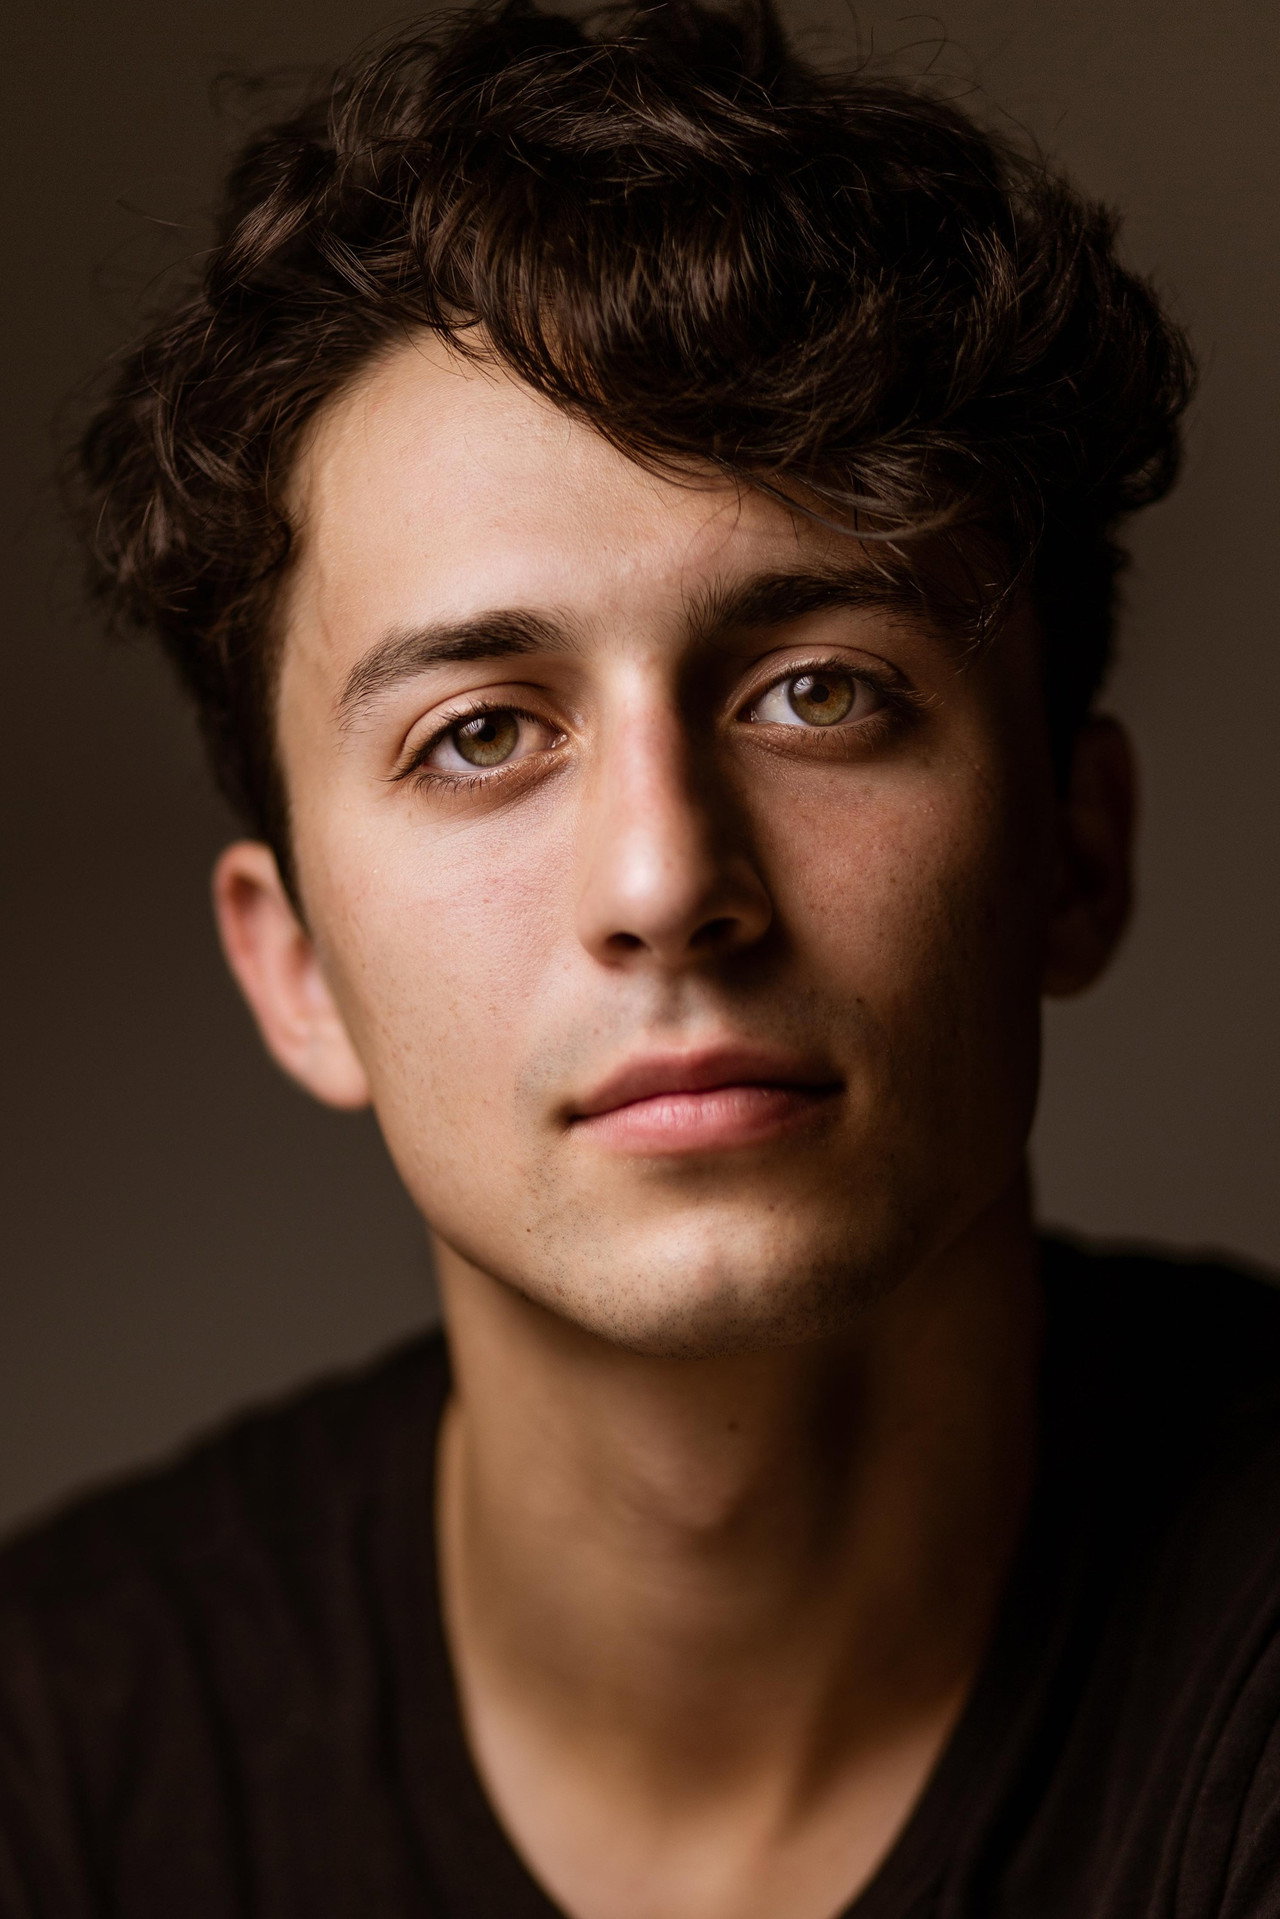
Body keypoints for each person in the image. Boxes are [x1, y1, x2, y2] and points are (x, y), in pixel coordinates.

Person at [2, 1, 1277, 1913]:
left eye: (820, 691)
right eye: (481, 735)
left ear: (1073, 857)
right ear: (297, 972)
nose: (667, 881)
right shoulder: (58, 1766)